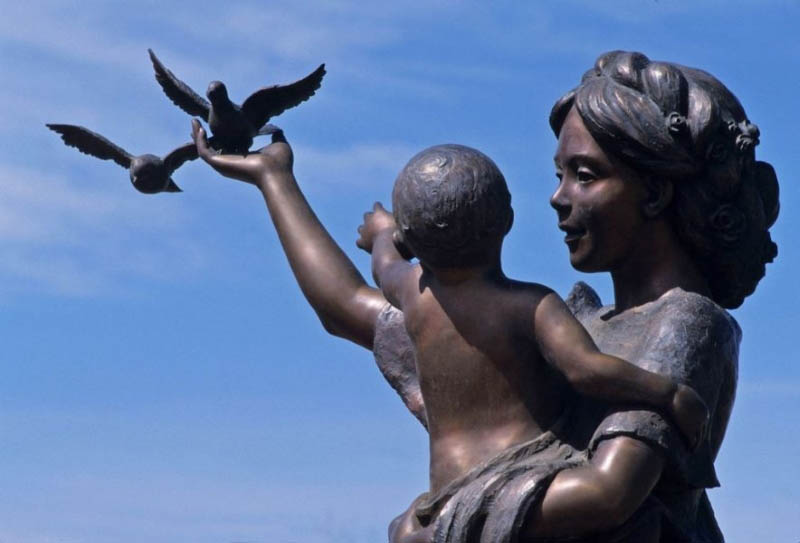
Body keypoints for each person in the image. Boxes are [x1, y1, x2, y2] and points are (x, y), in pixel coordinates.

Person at [189, 50, 779, 542]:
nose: (558, 198)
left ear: (653, 192)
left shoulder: (683, 323)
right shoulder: (571, 322)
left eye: (585, 175)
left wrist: (442, 520)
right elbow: (348, 308)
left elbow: (608, 494)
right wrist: (275, 180)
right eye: (558, 175)